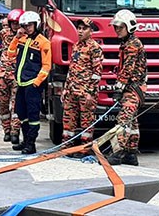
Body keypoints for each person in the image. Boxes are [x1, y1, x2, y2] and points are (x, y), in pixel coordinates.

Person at [106, 10, 147, 166]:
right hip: (134, 88)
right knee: (133, 123)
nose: (117, 30)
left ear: (129, 27)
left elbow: (128, 68)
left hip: (132, 88)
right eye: (115, 27)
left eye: (120, 27)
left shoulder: (132, 45)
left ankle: (116, 154)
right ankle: (131, 154)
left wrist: (119, 87)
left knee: (123, 121)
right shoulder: (127, 44)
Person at [8, 11, 51, 155]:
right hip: (21, 83)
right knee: (21, 114)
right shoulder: (22, 39)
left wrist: (37, 82)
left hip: (33, 84)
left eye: (30, 25)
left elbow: (46, 66)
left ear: (36, 24)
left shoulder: (44, 42)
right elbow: (10, 54)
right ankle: (25, 140)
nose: (27, 28)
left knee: (33, 116)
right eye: (25, 26)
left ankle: (31, 144)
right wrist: (16, 37)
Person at [61, 18, 103, 152]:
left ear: (91, 31)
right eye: (79, 28)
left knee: (86, 122)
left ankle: (85, 149)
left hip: (86, 92)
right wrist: (65, 89)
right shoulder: (76, 46)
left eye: (84, 28)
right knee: (68, 120)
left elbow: (97, 73)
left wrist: (90, 93)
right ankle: (67, 147)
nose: (80, 31)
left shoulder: (95, 48)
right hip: (72, 91)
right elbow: (71, 69)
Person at [0, 9, 22, 144]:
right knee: (2, 104)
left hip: (16, 76)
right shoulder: (4, 33)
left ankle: (15, 131)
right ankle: (6, 130)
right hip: (2, 74)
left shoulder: (25, 36)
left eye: (17, 23)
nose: (14, 26)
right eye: (12, 23)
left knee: (16, 105)